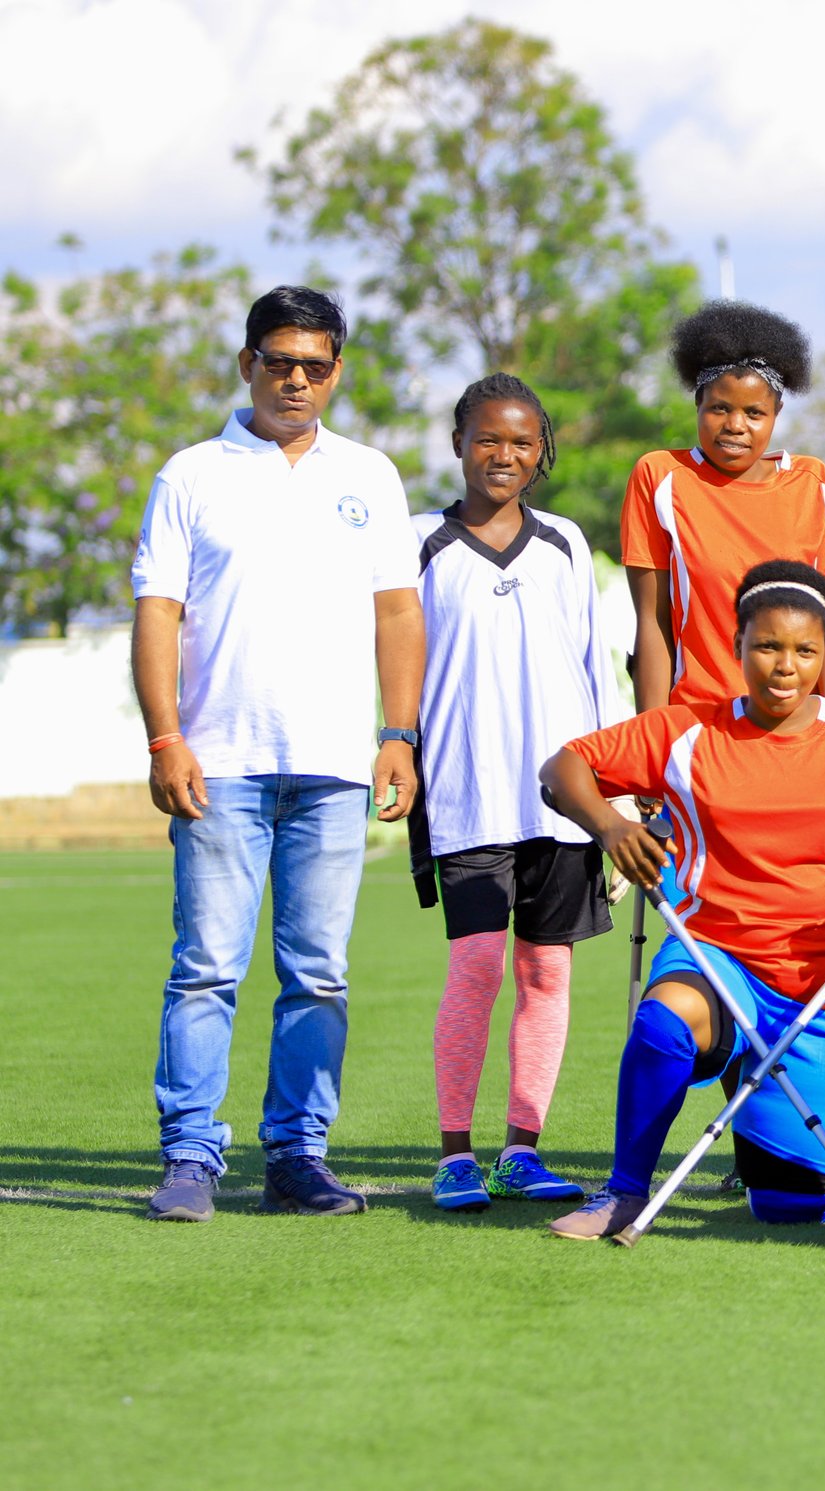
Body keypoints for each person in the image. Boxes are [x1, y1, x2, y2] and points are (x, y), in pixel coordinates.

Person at [535, 561, 825, 1239]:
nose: (786, 667)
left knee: (790, 1207)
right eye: (768, 646)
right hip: (719, 957)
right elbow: (562, 770)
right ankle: (625, 1191)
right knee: (664, 1023)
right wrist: (610, 826)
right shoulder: (686, 731)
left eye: (805, 650)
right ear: (737, 645)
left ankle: (824, 1148)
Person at [133, 285, 423, 1222]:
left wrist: (399, 735)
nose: (297, 381)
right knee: (206, 969)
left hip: (335, 767)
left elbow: (397, 613)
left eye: (315, 366)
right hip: (218, 764)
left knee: (319, 974)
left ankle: (298, 1155)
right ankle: (190, 1155)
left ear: (337, 371)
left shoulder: (371, 473)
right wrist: (165, 737)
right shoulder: (191, 473)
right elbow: (158, 615)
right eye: (279, 362)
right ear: (246, 363)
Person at [411, 374, 624, 1212]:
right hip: (465, 795)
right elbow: (397, 665)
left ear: (542, 451)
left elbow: (597, 670)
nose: (505, 455)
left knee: (546, 972)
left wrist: (615, 797)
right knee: (475, 968)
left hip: (562, 804)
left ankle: (521, 1151)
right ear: (458, 444)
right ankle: (455, 1155)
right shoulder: (418, 543)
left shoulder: (565, 541)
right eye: (488, 439)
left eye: (523, 441)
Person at [621, 301, 825, 714]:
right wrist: (654, 732)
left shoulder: (813, 482)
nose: (735, 425)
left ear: (776, 413)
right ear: (697, 403)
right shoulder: (659, 477)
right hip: (698, 720)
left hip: (795, 727)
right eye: (720, 408)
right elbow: (652, 622)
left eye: (754, 413)